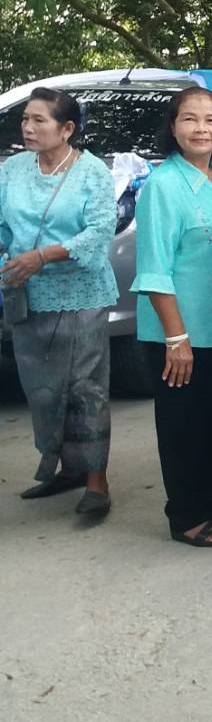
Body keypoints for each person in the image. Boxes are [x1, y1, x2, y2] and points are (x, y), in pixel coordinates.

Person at [132, 87, 212, 546]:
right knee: (184, 427)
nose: (201, 128)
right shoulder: (163, 186)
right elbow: (153, 271)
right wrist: (176, 337)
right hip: (179, 334)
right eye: (190, 119)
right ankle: (186, 514)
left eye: (211, 120)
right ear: (173, 128)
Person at [0, 89, 118, 515]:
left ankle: (96, 481)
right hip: (25, 294)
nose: (28, 128)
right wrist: (8, 256)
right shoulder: (12, 169)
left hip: (81, 293)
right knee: (43, 389)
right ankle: (65, 468)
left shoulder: (91, 173)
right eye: (25, 120)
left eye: (39, 121)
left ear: (67, 129)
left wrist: (44, 256)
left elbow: (101, 230)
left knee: (85, 387)